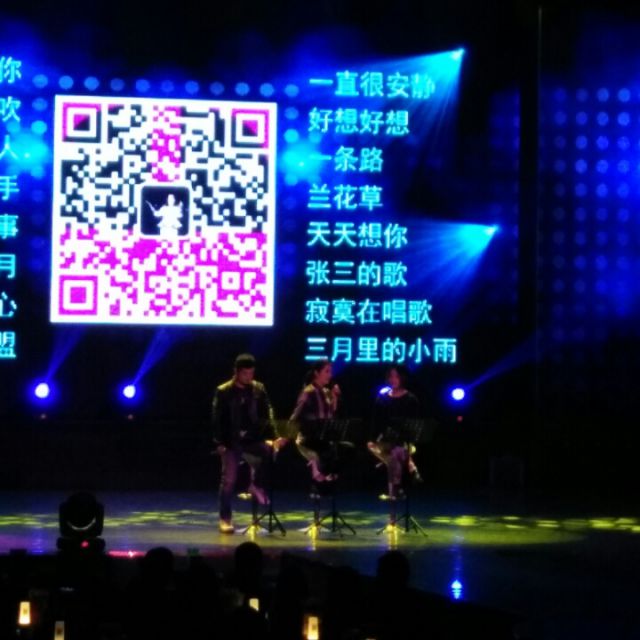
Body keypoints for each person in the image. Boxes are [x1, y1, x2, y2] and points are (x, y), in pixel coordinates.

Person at [212, 354, 277, 534]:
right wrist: (219, 442)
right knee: (229, 480)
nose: (249, 377)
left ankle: (255, 485)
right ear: (237, 372)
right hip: (231, 441)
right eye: (245, 374)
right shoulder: (224, 391)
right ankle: (225, 519)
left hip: (252, 438)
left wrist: (273, 435)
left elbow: (268, 410)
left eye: (251, 373)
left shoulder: (258, 388)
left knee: (268, 451)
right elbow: (217, 419)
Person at [368, 365, 422, 499]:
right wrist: (372, 439)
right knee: (392, 452)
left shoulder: (411, 399)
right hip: (384, 441)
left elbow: (414, 425)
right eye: (391, 376)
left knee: (395, 453)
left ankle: (394, 490)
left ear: (402, 378)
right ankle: (410, 467)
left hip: (404, 441)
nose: (393, 379)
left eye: (396, 376)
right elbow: (375, 422)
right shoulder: (382, 398)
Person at [289, 359, 342, 487]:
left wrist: (335, 397)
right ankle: (319, 476)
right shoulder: (309, 392)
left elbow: (330, 414)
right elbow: (296, 416)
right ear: (317, 373)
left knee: (341, 449)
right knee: (327, 453)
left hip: (322, 437)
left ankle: (325, 478)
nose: (330, 375)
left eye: (330, 372)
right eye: (327, 371)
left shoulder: (326, 392)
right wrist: (285, 435)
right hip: (308, 438)